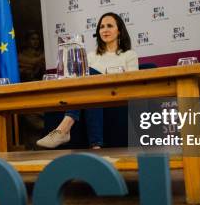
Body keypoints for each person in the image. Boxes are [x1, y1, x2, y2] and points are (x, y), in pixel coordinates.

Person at [36, 12, 138, 149]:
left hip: (117, 100)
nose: (105, 30)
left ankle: (64, 129)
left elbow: (132, 84)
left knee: (90, 74)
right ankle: (95, 146)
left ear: (119, 31)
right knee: (89, 84)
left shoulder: (129, 55)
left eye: (109, 26)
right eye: (101, 27)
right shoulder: (90, 56)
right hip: (94, 101)